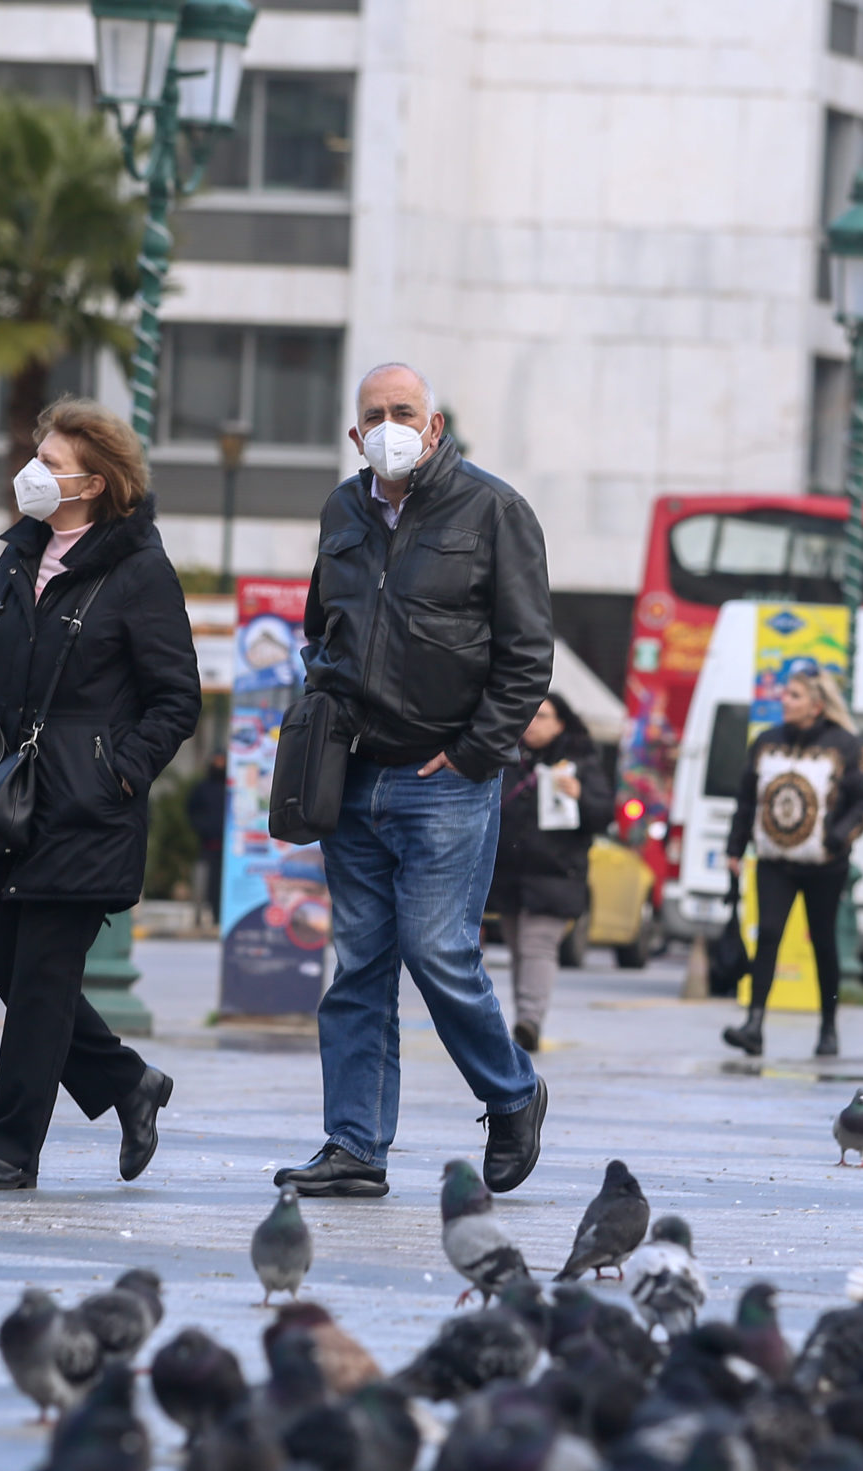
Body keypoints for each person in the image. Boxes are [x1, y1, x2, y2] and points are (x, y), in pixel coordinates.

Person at [0, 397, 199, 1191]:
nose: (33, 473)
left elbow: (176, 699)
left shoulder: (139, 571)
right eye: (38, 457)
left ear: (94, 483)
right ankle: (128, 1084)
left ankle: (12, 1150)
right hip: (6, 802)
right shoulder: (17, 561)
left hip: (87, 808)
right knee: (5, 966)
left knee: (42, 984)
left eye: (52, 464)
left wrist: (116, 773)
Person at [271, 362, 554, 1201]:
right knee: (357, 966)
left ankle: (512, 1092)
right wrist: (325, 703)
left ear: (433, 428)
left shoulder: (494, 510)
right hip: (353, 775)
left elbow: (528, 651)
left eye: (405, 411)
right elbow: (321, 625)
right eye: (374, 414)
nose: (389, 424)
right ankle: (355, 1145)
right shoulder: (341, 510)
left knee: (438, 953)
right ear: (356, 435)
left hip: (446, 778)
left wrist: (474, 752)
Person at [720, 661, 863, 1060]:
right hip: (775, 859)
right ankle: (754, 1024)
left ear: (817, 704)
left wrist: (837, 836)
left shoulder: (845, 745)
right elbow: (746, 796)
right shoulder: (766, 741)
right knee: (768, 935)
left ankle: (828, 1026)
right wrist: (735, 848)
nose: (784, 701)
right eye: (784, 694)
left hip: (825, 865)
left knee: (823, 943)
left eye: (793, 695)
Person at [492, 693, 614, 1054]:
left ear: (561, 722)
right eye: (530, 715)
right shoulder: (508, 756)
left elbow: (603, 814)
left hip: (557, 872)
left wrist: (579, 795)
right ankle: (525, 1019)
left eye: (543, 716)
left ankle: (529, 1019)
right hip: (511, 872)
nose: (534, 723)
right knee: (518, 948)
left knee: (537, 946)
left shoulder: (580, 763)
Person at [185, 749, 228, 930]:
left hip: (228, 849)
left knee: (222, 885)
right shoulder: (202, 788)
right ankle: (198, 918)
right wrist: (203, 828)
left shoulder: (231, 787)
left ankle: (219, 918)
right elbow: (191, 811)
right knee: (202, 884)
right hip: (207, 845)